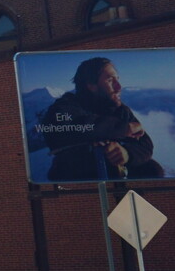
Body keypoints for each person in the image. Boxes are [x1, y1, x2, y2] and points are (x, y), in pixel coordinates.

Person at [37, 57, 165, 181]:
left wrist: (127, 154)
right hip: (81, 180)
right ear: (91, 85)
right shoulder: (65, 106)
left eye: (117, 79)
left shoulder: (120, 110)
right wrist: (122, 128)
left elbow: (145, 145)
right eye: (110, 80)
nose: (119, 87)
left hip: (115, 181)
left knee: (152, 169)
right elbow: (70, 125)